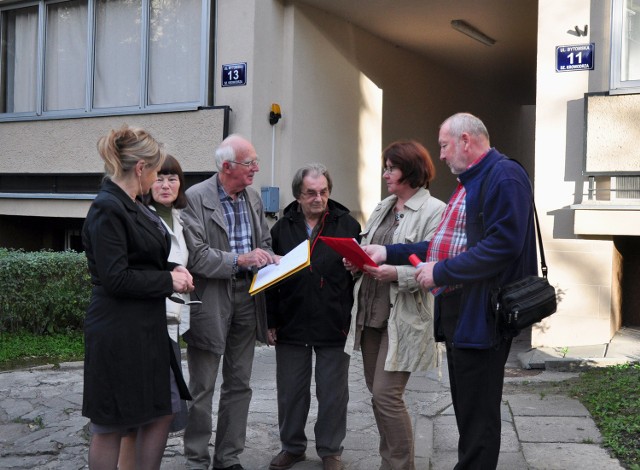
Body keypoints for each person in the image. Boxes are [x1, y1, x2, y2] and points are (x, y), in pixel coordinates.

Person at [364, 113, 537, 469]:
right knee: (468, 412)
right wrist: (389, 251)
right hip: (463, 312)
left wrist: (440, 272)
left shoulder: (504, 175)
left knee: (478, 417)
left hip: (483, 316)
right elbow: (445, 244)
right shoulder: (470, 181)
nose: (440, 155)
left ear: (465, 141)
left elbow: (502, 246)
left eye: (443, 146)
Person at [81, 125, 194, 470]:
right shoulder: (107, 208)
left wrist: (176, 268)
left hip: (144, 328)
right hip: (119, 331)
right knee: (113, 425)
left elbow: (141, 256)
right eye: (157, 171)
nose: (159, 179)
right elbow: (116, 278)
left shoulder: (132, 205)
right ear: (142, 168)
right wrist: (167, 280)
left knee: (162, 409)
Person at [343, 140, 445, 470]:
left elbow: (435, 263)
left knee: (387, 395)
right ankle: (390, 462)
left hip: (403, 314)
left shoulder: (436, 210)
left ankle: (400, 466)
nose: (386, 174)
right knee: (377, 394)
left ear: (411, 171)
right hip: (371, 310)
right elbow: (369, 245)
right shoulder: (384, 205)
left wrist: (394, 272)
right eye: (385, 167)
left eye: (392, 168)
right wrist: (356, 260)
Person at [181, 134, 276, 470]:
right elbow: (197, 257)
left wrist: (271, 258)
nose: (256, 168)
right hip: (210, 299)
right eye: (250, 163)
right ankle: (196, 458)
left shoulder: (251, 196)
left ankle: (228, 458)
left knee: (240, 383)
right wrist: (241, 260)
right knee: (202, 385)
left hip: (248, 297)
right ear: (226, 167)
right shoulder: (193, 198)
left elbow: (263, 240)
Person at [266, 163, 361, 470]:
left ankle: (330, 450)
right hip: (291, 321)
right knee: (291, 392)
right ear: (298, 195)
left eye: (323, 192)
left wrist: (357, 268)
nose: (318, 198)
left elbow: (362, 272)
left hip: (334, 320)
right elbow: (270, 279)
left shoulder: (347, 225)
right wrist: (270, 321)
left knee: (333, 394)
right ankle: (292, 447)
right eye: (311, 193)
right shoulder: (281, 228)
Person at [118, 154, 193, 469]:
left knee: (159, 409)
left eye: (172, 178)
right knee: (139, 414)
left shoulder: (181, 219)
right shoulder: (139, 215)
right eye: (159, 177)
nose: (165, 184)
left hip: (169, 326)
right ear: (146, 180)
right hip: (143, 325)